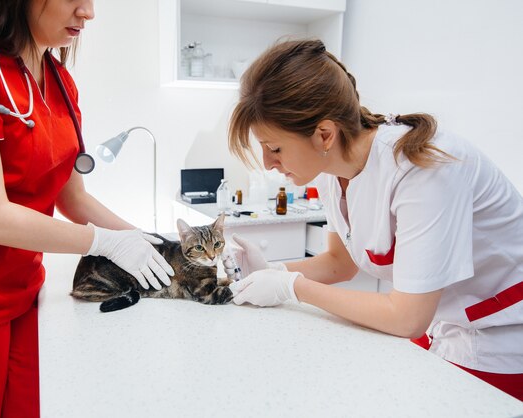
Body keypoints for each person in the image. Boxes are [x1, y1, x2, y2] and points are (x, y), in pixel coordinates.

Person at [0, 1, 174, 416]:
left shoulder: (59, 80)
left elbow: (73, 198)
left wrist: (153, 242)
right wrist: (104, 243)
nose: (88, 13)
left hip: (22, 289)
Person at [224, 39, 523, 401]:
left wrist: (294, 287)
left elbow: (406, 318)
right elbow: (340, 263)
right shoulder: (335, 172)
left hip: (499, 337)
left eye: (275, 148)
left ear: (324, 134)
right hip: (443, 323)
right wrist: (273, 270)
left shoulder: (423, 169)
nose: (268, 163)